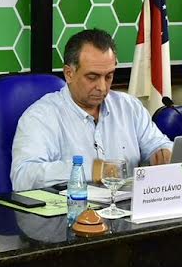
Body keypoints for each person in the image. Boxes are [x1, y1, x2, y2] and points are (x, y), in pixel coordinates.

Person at [11, 29, 171, 191]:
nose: (102, 87)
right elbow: (23, 177)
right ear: (69, 74)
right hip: (73, 205)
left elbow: (158, 145)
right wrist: (91, 170)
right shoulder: (41, 116)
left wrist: (163, 152)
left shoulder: (129, 107)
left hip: (127, 203)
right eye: (92, 77)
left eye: (108, 76)